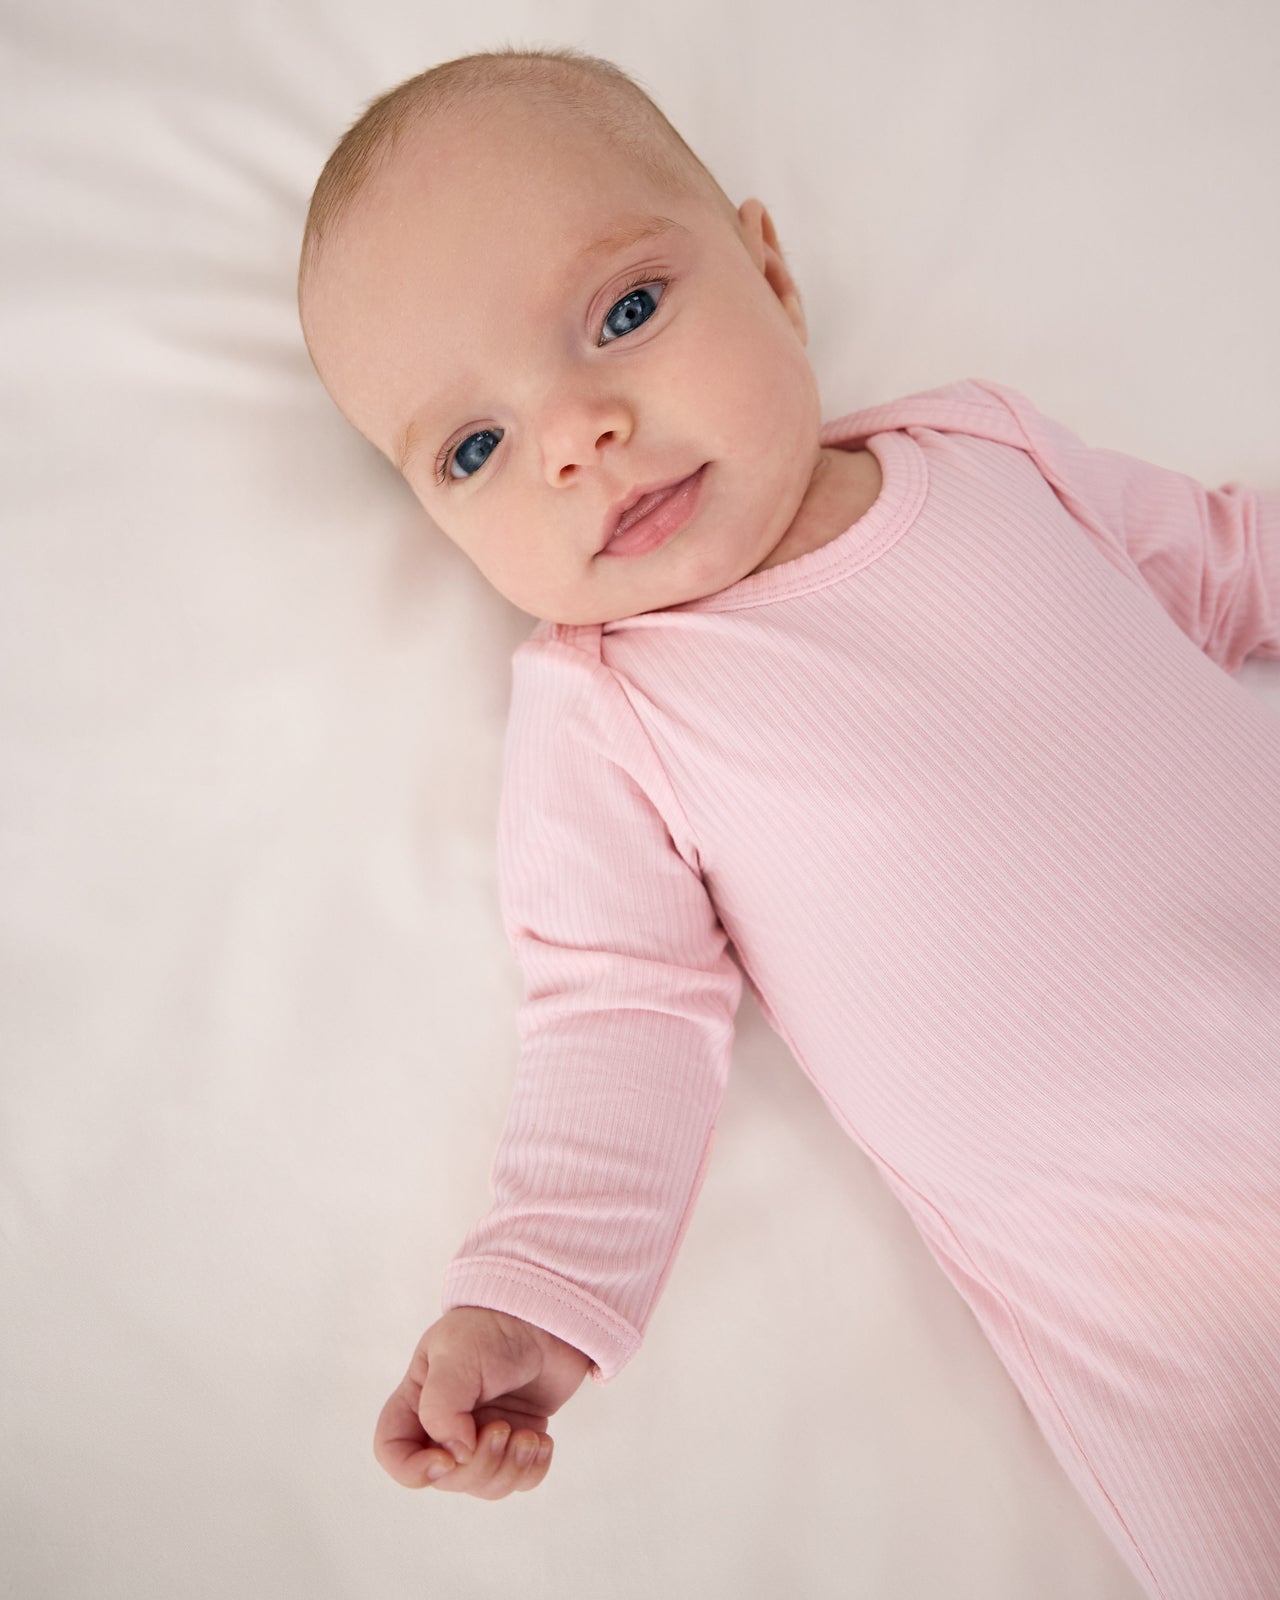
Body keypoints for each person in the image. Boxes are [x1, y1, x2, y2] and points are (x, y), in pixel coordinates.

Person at [297, 45, 1280, 1599]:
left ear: (770, 271)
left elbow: (1225, 569)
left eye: (623, 314)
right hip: (1174, 1318)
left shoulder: (983, 452)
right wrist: (537, 1294)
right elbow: (617, 1009)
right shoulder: (614, 710)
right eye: (476, 448)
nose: (577, 436)